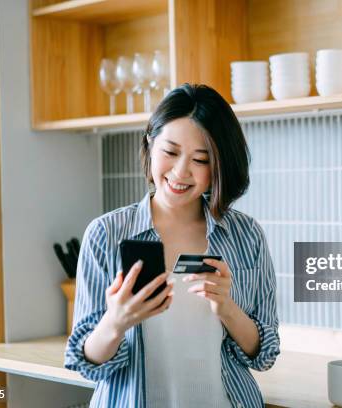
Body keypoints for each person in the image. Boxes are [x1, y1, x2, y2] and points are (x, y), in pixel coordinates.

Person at [64, 83, 280, 407]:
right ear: (150, 144)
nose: (181, 171)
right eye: (171, 151)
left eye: (201, 159)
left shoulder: (245, 236)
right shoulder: (106, 235)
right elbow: (85, 362)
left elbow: (264, 355)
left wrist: (228, 309)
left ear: (218, 166)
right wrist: (117, 320)